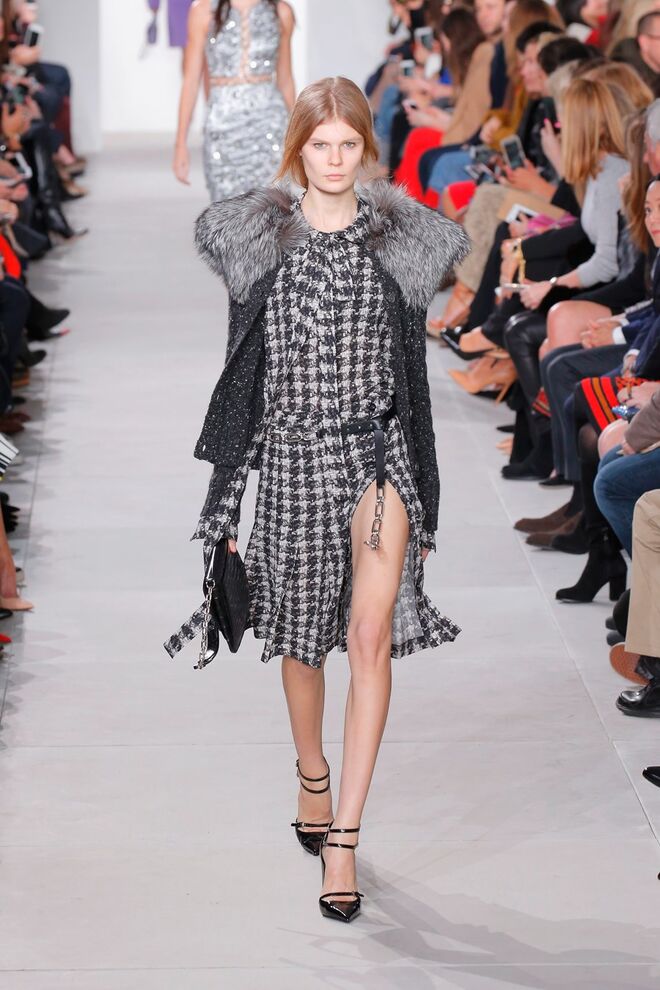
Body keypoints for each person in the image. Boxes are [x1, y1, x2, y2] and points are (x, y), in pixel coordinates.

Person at [165, 76, 469, 922]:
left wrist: (428, 495)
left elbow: (413, 379)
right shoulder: (257, 239)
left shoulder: (403, 240)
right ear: (297, 148)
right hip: (294, 457)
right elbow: (242, 376)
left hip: (379, 455)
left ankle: (345, 838)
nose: (335, 160)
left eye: (348, 145)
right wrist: (224, 502)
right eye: (320, 145)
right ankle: (312, 773)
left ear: (366, 149)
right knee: (304, 645)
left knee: (369, 638)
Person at [173, 0, 295, 201]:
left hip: (270, 126)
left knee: (273, 207)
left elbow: (285, 80)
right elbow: (191, 81)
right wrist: (180, 145)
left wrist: (299, 136)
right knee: (226, 206)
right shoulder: (203, 11)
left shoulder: (281, 12)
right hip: (222, 127)